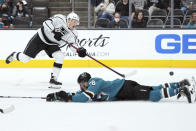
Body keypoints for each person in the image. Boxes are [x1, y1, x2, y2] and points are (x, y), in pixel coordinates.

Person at [5, 12, 87, 89]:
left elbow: (73, 45)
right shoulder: (59, 18)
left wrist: (79, 50)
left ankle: (53, 79)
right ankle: (14, 55)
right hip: (40, 38)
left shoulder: (73, 33)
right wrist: (54, 30)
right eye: (74, 21)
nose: (75, 24)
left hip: (52, 44)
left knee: (60, 56)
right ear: (68, 19)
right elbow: (46, 23)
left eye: (76, 22)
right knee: (25, 59)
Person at [46, 72, 195, 103]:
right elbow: (78, 93)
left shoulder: (93, 82)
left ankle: (181, 90)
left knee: (152, 95)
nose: (81, 86)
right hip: (124, 88)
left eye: (81, 84)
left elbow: (85, 97)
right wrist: (58, 94)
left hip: (124, 89)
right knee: (153, 89)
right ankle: (182, 83)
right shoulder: (90, 86)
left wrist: (68, 98)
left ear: (85, 81)